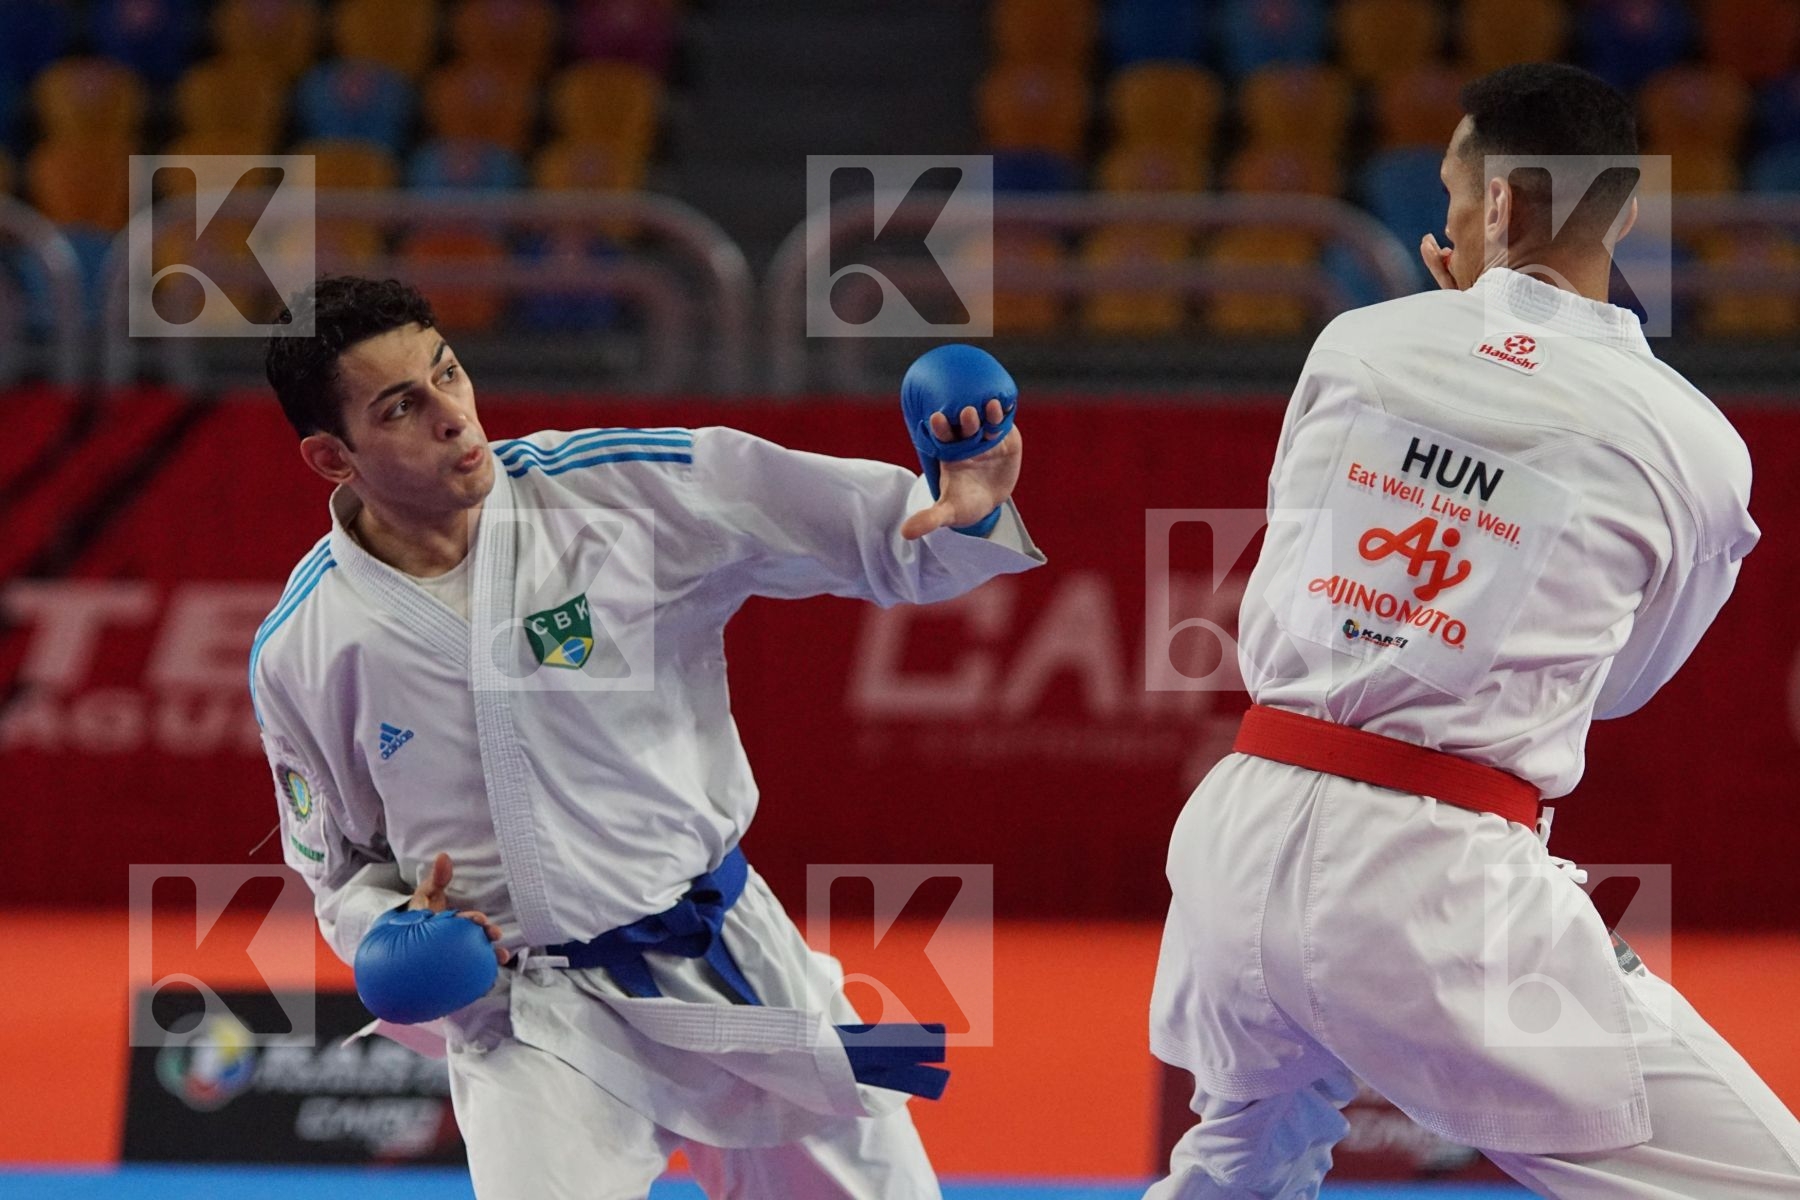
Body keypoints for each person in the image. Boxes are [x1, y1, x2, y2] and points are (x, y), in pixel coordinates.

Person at [1146, 63, 1799, 1198]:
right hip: (1433, 887)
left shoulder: (1359, 344)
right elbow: (1626, 684)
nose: (1441, 221)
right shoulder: (1698, 447)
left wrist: (1456, 324)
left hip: (1235, 840)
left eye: (1452, 194)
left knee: (1239, 1161)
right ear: (1627, 211)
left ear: (1495, 208)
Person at [251, 275, 1043, 1199]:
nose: (453, 416)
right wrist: (391, 935)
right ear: (329, 458)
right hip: (531, 1019)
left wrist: (966, 503)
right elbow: (341, 869)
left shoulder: (619, 491)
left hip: (726, 960)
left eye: (449, 373)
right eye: (400, 407)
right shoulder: (304, 647)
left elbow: (890, 540)